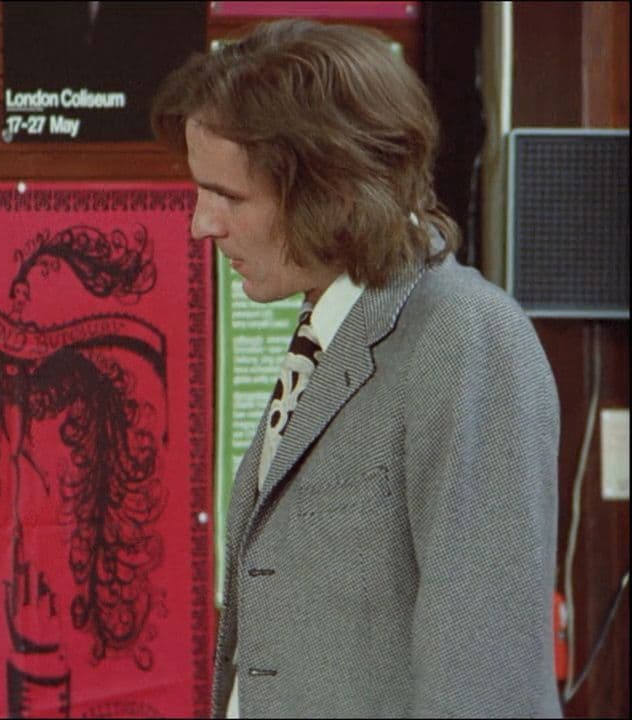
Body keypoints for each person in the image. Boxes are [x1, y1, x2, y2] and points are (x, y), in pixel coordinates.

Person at [151, 19, 561, 718]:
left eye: (231, 197)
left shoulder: (466, 336)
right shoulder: (330, 325)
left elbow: (485, 676)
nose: (202, 225)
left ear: (333, 190)